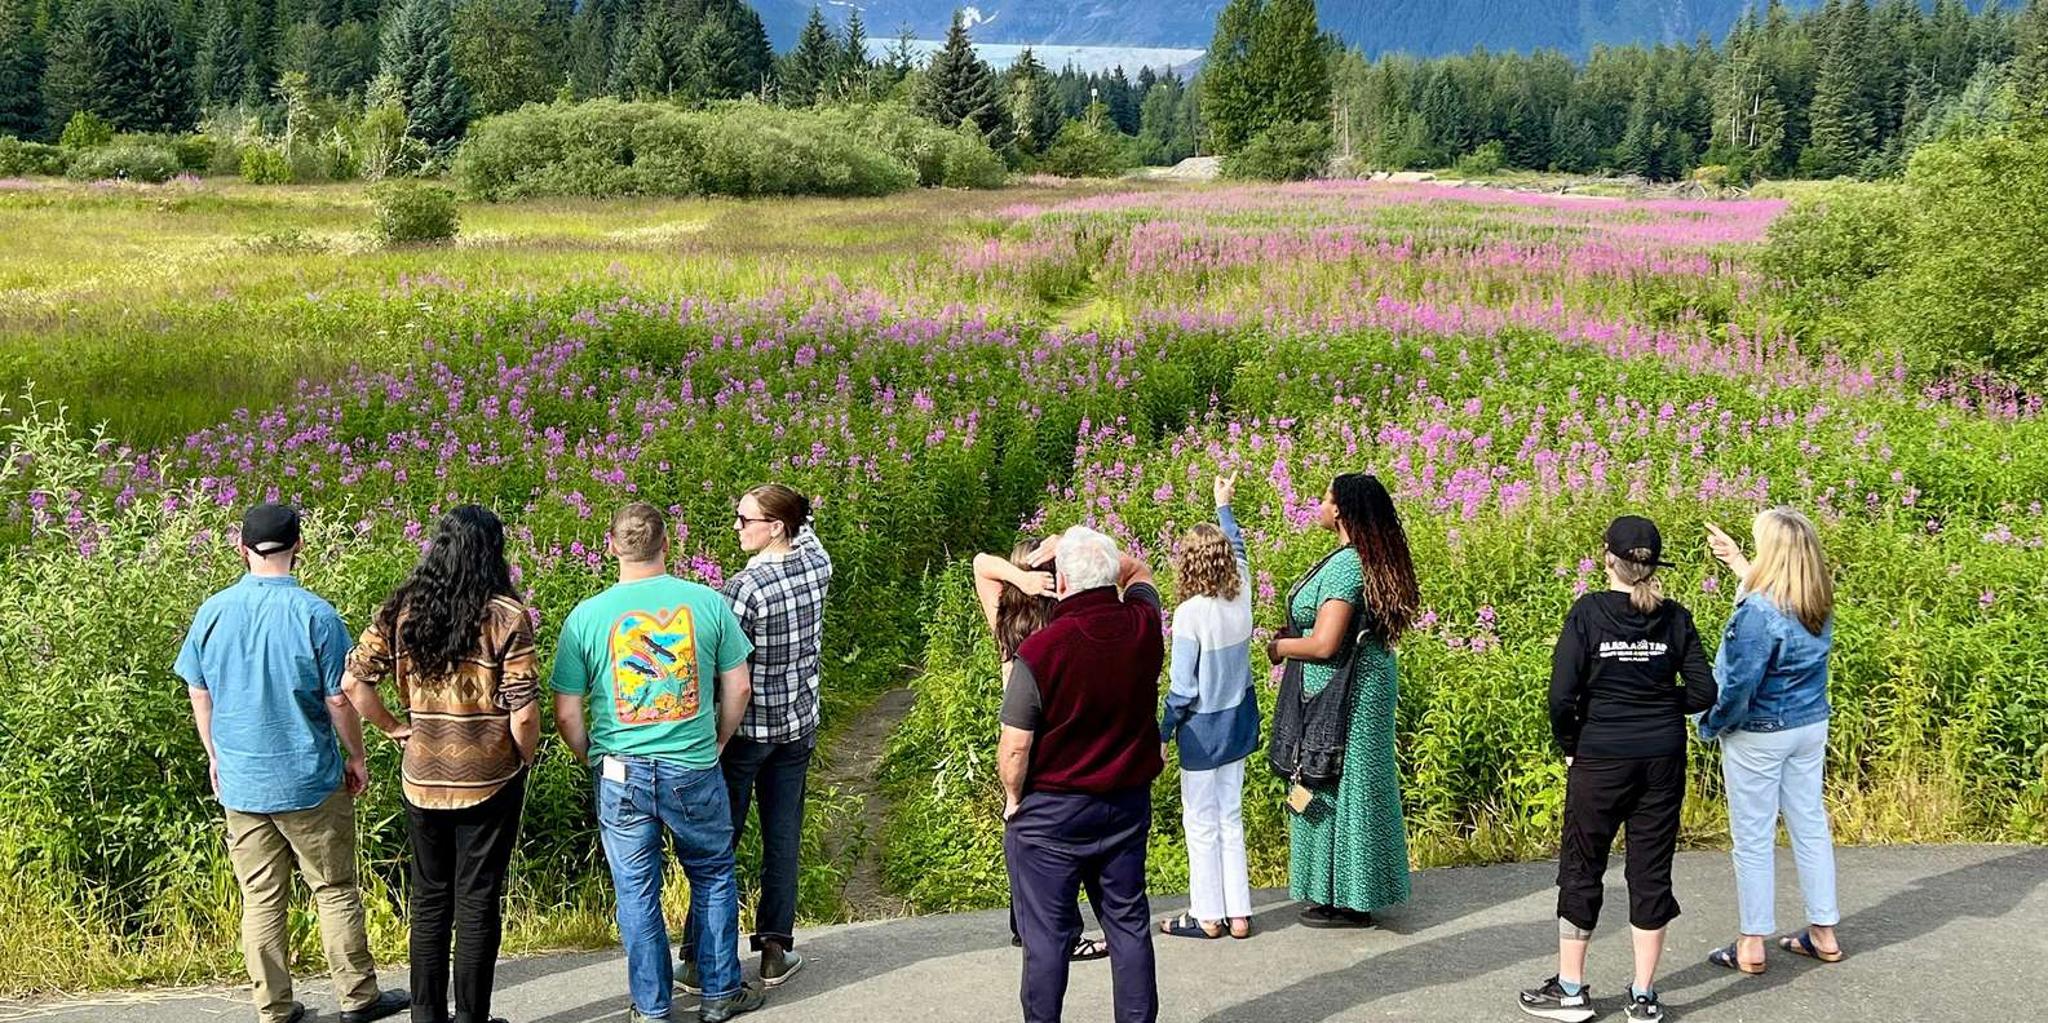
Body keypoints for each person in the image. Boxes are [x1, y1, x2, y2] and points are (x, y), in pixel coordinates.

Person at [175, 502, 408, 1023]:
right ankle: (358, 998)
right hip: (308, 779)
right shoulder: (316, 615)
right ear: (299, 545)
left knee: (260, 898)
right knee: (334, 888)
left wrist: (214, 753)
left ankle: (274, 1008)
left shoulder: (213, 611)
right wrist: (356, 755)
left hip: (242, 780)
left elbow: (198, 688)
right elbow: (339, 698)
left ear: (241, 549)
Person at [552, 502, 762, 1023]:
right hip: (692, 766)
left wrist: (593, 757)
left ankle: (651, 1008)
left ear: (611, 546)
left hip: (619, 770)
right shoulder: (707, 603)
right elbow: (739, 687)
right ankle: (720, 992)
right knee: (712, 874)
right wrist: (718, 740)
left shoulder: (586, 616)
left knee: (636, 890)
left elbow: (567, 712)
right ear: (667, 544)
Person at [342, 505, 540, 1023]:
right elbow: (523, 711)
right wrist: (523, 756)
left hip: (422, 774)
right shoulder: (506, 616)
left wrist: (393, 727)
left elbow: (353, 683)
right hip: (490, 777)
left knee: (430, 899)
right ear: (492, 553)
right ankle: (472, 1017)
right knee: (477, 900)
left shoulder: (404, 610)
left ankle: (426, 1016)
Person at [1518, 515, 1717, 1023]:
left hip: (1600, 756)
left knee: (1583, 865)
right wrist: (1659, 702)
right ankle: (1643, 995)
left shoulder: (1588, 613)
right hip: (1661, 759)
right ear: (1654, 565)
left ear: (1607, 558)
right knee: (1650, 871)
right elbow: (1704, 692)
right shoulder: (1675, 618)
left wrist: (1570, 744)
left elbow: (1561, 696)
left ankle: (1570, 990)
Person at [1000, 525, 1164, 1023]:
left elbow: (1016, 745)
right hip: (1125, 801)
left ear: (1063, 583)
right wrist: (1086, 541)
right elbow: (1140, 570)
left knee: (1046, 938)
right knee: (1128, 923)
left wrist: (1013, 799)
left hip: (1052, 812)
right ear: (1109, 576)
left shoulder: (1040, 651)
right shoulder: (1144, 623)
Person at [679, 484, 833, 991]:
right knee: (782, 839)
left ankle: (699, 959)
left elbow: (725, 673)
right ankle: (774, 950)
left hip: (746, 733)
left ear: (776, 527)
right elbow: (808, 526)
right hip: (797, 725)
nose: (737, 527)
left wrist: (715, 736)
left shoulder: (743, 590)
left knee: (717, 843)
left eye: (746, 520)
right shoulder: (816, 563)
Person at [1268, 473, 1419, 929]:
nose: (1318, 505)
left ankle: (1350, 898)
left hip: (1343, 687)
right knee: (1353, 782)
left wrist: (1279, 647)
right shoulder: (1368, 558)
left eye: (1325, 498)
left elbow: (1324, 643)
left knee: (1340, 782)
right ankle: (1347, 892)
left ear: (1339, 510)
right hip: (1363, 680)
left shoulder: (1347, 566)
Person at [1699, 507, 1842, 974]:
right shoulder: (1816, 598)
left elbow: (1739, 684)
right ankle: (1824, 931)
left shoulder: (1757, 612)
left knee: (1753, 837)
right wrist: (1738, 563)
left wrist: (1712, 722)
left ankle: (1751, 942)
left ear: (1773, 553)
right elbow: (1777, 598)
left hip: (1761, 731)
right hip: (1809, 724)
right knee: (1810, 824)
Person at [972, 539, 1110, 962]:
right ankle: (1063, 932)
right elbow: (980, 562)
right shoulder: (1060, 622)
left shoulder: (1005, 618)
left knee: (1022, 830)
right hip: (1054, 737)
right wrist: (1040, 569)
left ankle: (1026, 925)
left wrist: (1020, 578)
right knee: (1053, 840)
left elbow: (982, 565)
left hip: (1020, 733)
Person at [1158, 474, 1259, 942]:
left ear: (1188, 564)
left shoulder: (1188, 615)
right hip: (1237, 723)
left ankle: (1208, 916)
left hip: (1201, 732)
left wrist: (1162, 734)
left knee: (1200, 822)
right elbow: (1239, 548)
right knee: (1230, 816)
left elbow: (1182, 689)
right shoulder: (1243, 594)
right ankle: (1239, 914)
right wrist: (1223, 506)